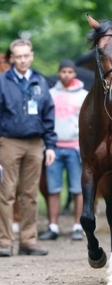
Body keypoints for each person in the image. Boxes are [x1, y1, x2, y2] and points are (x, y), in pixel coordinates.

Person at [0, 39, 57, 257]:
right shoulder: (2, 81)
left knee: (30, 194)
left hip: (35, 144)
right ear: (12, 58)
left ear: (31, 56)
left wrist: (50, 144)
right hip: (8, 142)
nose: (23, 60)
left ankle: (28, 241)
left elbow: (48, 114)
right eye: (18, 56)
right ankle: (5, 242)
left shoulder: (40, 82)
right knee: (6, 194)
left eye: (26, 55)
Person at [39, 59, 88, 241]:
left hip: (75, 148)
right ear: (59, 73)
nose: (66, 75)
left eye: (70, 72)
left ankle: (78, 225)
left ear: (74, 74)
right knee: (53, 188)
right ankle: (53, 226)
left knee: (77, 188)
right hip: (54, 148)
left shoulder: (83, 95)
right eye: (63, 71)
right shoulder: (50, 94)